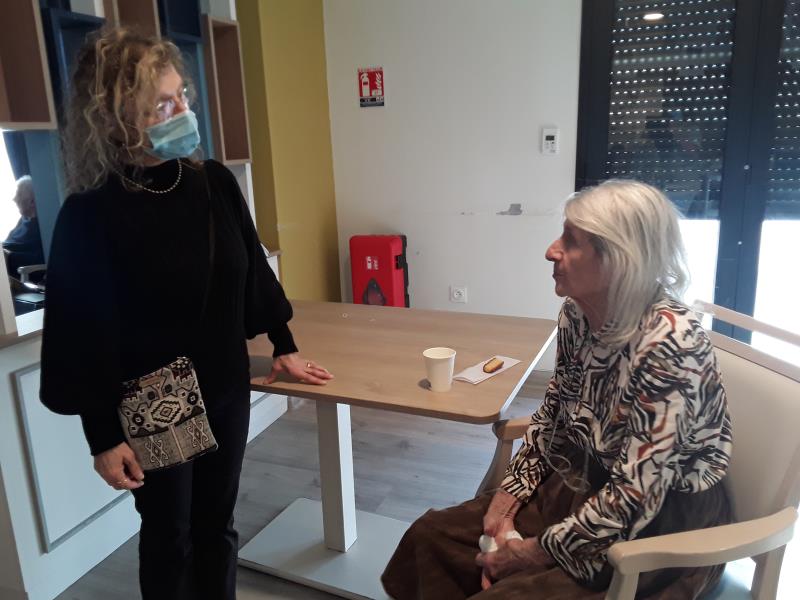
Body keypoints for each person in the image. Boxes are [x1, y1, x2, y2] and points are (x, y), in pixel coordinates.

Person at [39, 27, 332, 600]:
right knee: (169, 536)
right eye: (163, 105)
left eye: (183, 97)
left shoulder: (213, 182)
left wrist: (284, 345)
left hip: (225, 387)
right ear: (117, 118)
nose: (183, 112)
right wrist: (103, 437)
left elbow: (251, 266)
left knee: (217, 527)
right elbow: (82, 333)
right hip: (155, 401)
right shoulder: (90, 214)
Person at [381, 179, 733, 599]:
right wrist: (507, 499)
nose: (551, 250)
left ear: (619, 260)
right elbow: (554, 415)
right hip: (582, 480)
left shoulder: (670, 344)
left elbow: (635, 497)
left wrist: (528, 554)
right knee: (429, 537)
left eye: (570, 241)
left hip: (659, 527)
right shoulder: (577, 315)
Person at [3, 175, 45, 277]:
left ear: (32, 202)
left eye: (19, 194)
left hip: (12, 271)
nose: (14, 199)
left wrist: (8, 256)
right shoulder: (23, 220)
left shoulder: (41, 228)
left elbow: (37, 260)